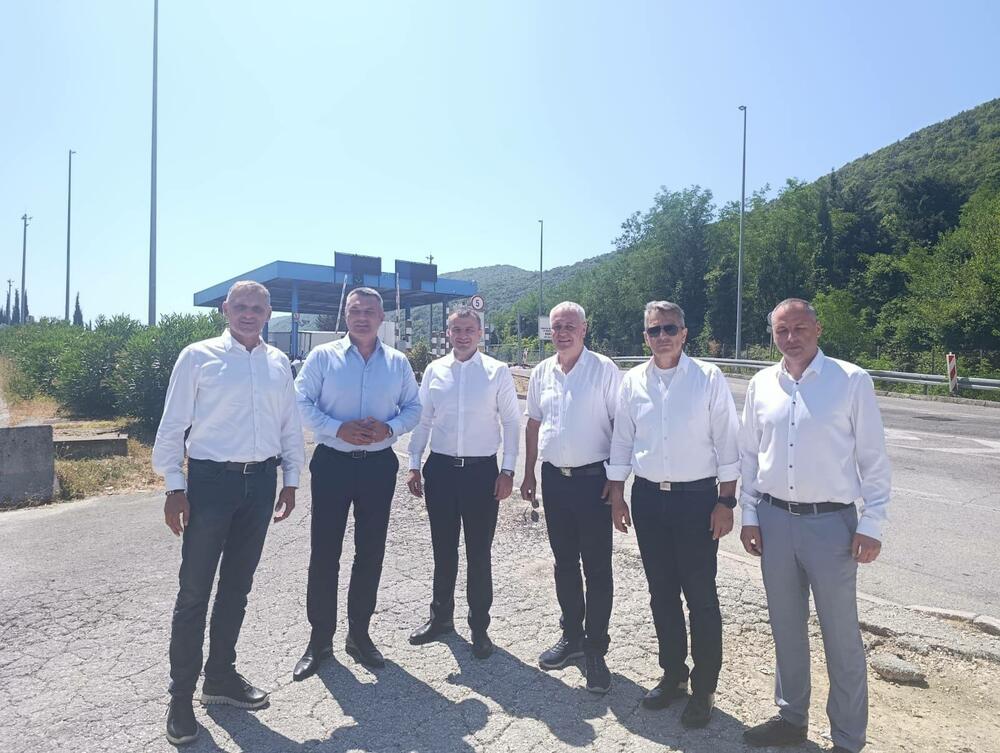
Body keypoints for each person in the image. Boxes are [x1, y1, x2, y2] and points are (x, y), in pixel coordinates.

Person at [152, 280, 304, 746]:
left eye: (257, 307)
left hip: (260, 483)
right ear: (225, 309)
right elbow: (173, 425)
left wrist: (291, 479)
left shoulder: (278, 363)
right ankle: (180, 699)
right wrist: (174, 486)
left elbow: (289, 424)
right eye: (240, 306)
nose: (248, 313)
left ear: (269, 313)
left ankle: (220, 676)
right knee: (194, 591)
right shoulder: (197, 357)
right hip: (210, 483)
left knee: (237, 587)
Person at [739, 298, 891, 753]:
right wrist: (749, 514)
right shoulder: (761, 384)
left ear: (818, 329)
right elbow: (750, 455)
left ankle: (847, 738)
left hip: (832, 525)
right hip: (773, 520)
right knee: (786, 626)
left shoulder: (850, 381)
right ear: (773, 335)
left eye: (800, 328)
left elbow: (873, 458)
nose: (791, 338)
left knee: (840, 636)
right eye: (782, 331)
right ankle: (791, 717)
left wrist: (872, 522)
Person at [607, 300, 740, 729]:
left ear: (684, 333)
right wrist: (617, 495)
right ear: (645, 336)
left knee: (701, 597)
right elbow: (622, 441)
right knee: (661, 593)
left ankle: (704, 688)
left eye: (669, 328)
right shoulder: (632, 382)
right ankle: (673, 675)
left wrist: (726, 502)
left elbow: (728, 443)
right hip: (649, 499)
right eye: (654, 330)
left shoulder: (708, 378)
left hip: (697, 500)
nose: (662, 336)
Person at [291, 287, 421, 679]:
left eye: (369, 311)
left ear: (382, 317)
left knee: (370, 552)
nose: (362, 317)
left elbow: (414, 408)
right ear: (345, 315)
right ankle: (319, 640)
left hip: (378, 466)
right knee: (324, 553)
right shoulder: (322, 357)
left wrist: (390, 428)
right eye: (354, 311)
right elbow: (299, 402)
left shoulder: (397, 363)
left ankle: (359, 635)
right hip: (332, 463)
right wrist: (337, 428)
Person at [405, 306, 520, 659]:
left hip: (481, 473)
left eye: (469, 329)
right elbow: (424, 420)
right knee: (443, 550)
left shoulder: (497, 371)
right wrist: (413, 463)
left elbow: (512, 422)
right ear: (448, 333)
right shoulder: (435, 371)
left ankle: (479, 627)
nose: (463, 335)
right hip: (440, 470)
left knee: (478, 553)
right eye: (456, 329)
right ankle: (441, 618)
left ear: (480, 333)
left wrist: (508, 470)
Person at [520, 301, 622, 694]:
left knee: (597, 568)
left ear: (584, 329)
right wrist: (529, 471)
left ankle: (596, 649)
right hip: (554, 480)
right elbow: (533, 424)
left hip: (593, 480)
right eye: (557, 327)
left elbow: (620, 425)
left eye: (569, 326)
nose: (562, 333)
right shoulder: (542, 372)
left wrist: (616, 479)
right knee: (564, 563)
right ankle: (572, 637)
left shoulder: (603, 369)